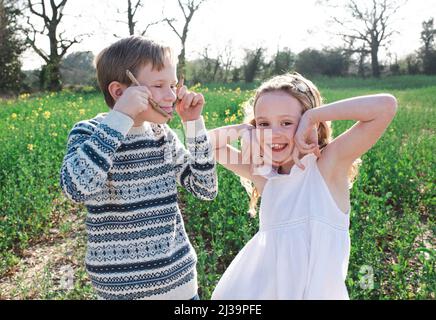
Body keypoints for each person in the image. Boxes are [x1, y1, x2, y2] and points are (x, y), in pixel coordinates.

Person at [209, 72, 397, 299]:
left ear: (309, 125)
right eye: (264, 123)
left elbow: (385, 106)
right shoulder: (266, 177)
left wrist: (312, 116)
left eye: (287, 123)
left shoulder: (327, 167)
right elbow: (203, 145)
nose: (273, 133)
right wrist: (245, 130)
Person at [59, 36, 217, 300]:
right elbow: (76, 189)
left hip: (181, 286)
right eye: (158, 85)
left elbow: (205, 188)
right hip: (122, 292)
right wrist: (120, 118)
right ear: (120, 92)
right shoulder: (90, 132)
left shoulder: (161, 134)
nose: (171, 95)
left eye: (173, 85)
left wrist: (193, 124)